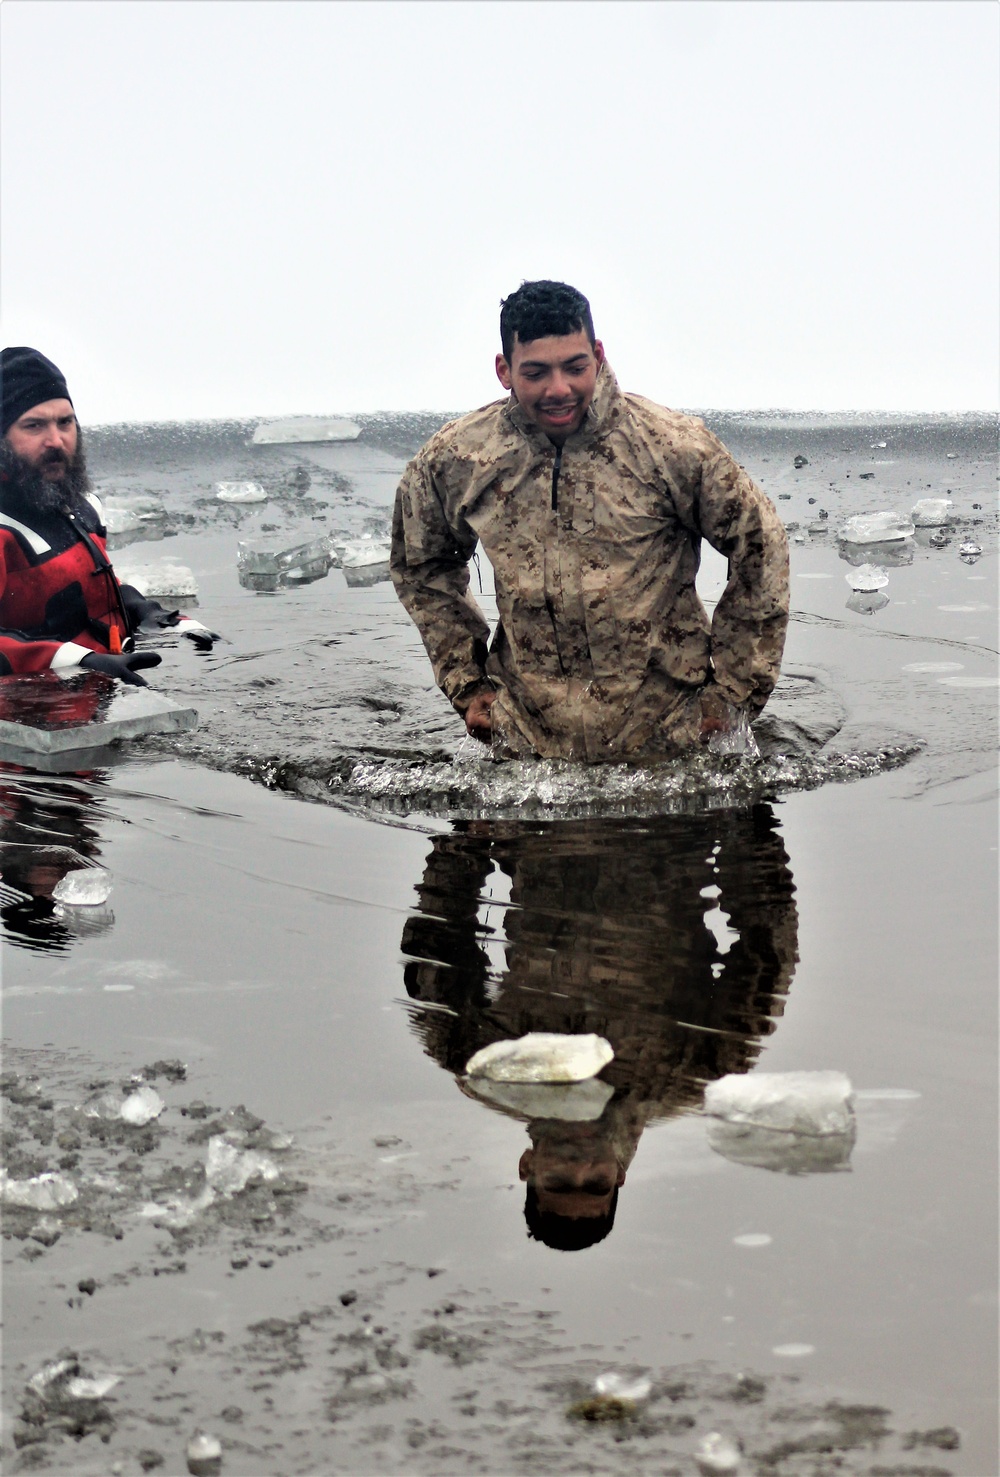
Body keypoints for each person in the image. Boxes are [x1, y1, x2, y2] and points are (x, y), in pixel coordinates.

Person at [391, 280, 789, 759]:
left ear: (598, 355)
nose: (559, 389)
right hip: (527, 747)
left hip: (672, 742)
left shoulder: (673, 447)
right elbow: (421, 562)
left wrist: (732, 695)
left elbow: (761, 544)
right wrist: (467, 682)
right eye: (536, 372)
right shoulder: (458, 458)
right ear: (504, 370)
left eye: (575, 367)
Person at [401, 808, 798, 1249]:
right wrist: (738, 813)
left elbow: (434, 948)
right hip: (671, 816)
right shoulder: (698, 1071)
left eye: (558, 1181)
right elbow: (767, 945)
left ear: (527, 1166)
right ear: (619, 1176)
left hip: (540, 815)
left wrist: (471, 833)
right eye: (596, 1185)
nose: (579, 1166)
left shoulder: (481, 1068)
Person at [1, 346, 214, 684]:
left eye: (65, 422)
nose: (55, 440)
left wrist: (152, 615)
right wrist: (83, 660)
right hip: (32, 725)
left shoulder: (82, 507)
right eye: (34, 426)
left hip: (102, 704)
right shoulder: (5, 531)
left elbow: (89, 597)